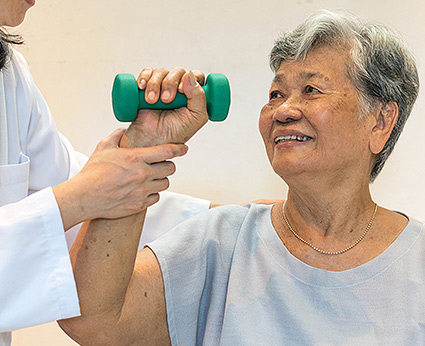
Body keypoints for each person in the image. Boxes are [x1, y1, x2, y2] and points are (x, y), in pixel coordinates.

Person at [58, 10, 425, 346]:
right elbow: (91, 321)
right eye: (276, 93)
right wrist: (143, 147)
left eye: (311, 90)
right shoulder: (221, 242)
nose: (283, 110)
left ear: (380, 121)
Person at [0, 1, 214, 345]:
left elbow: (72, 188)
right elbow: (77, 197)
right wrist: (78, 199)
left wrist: (234, 225)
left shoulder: (3, 72)